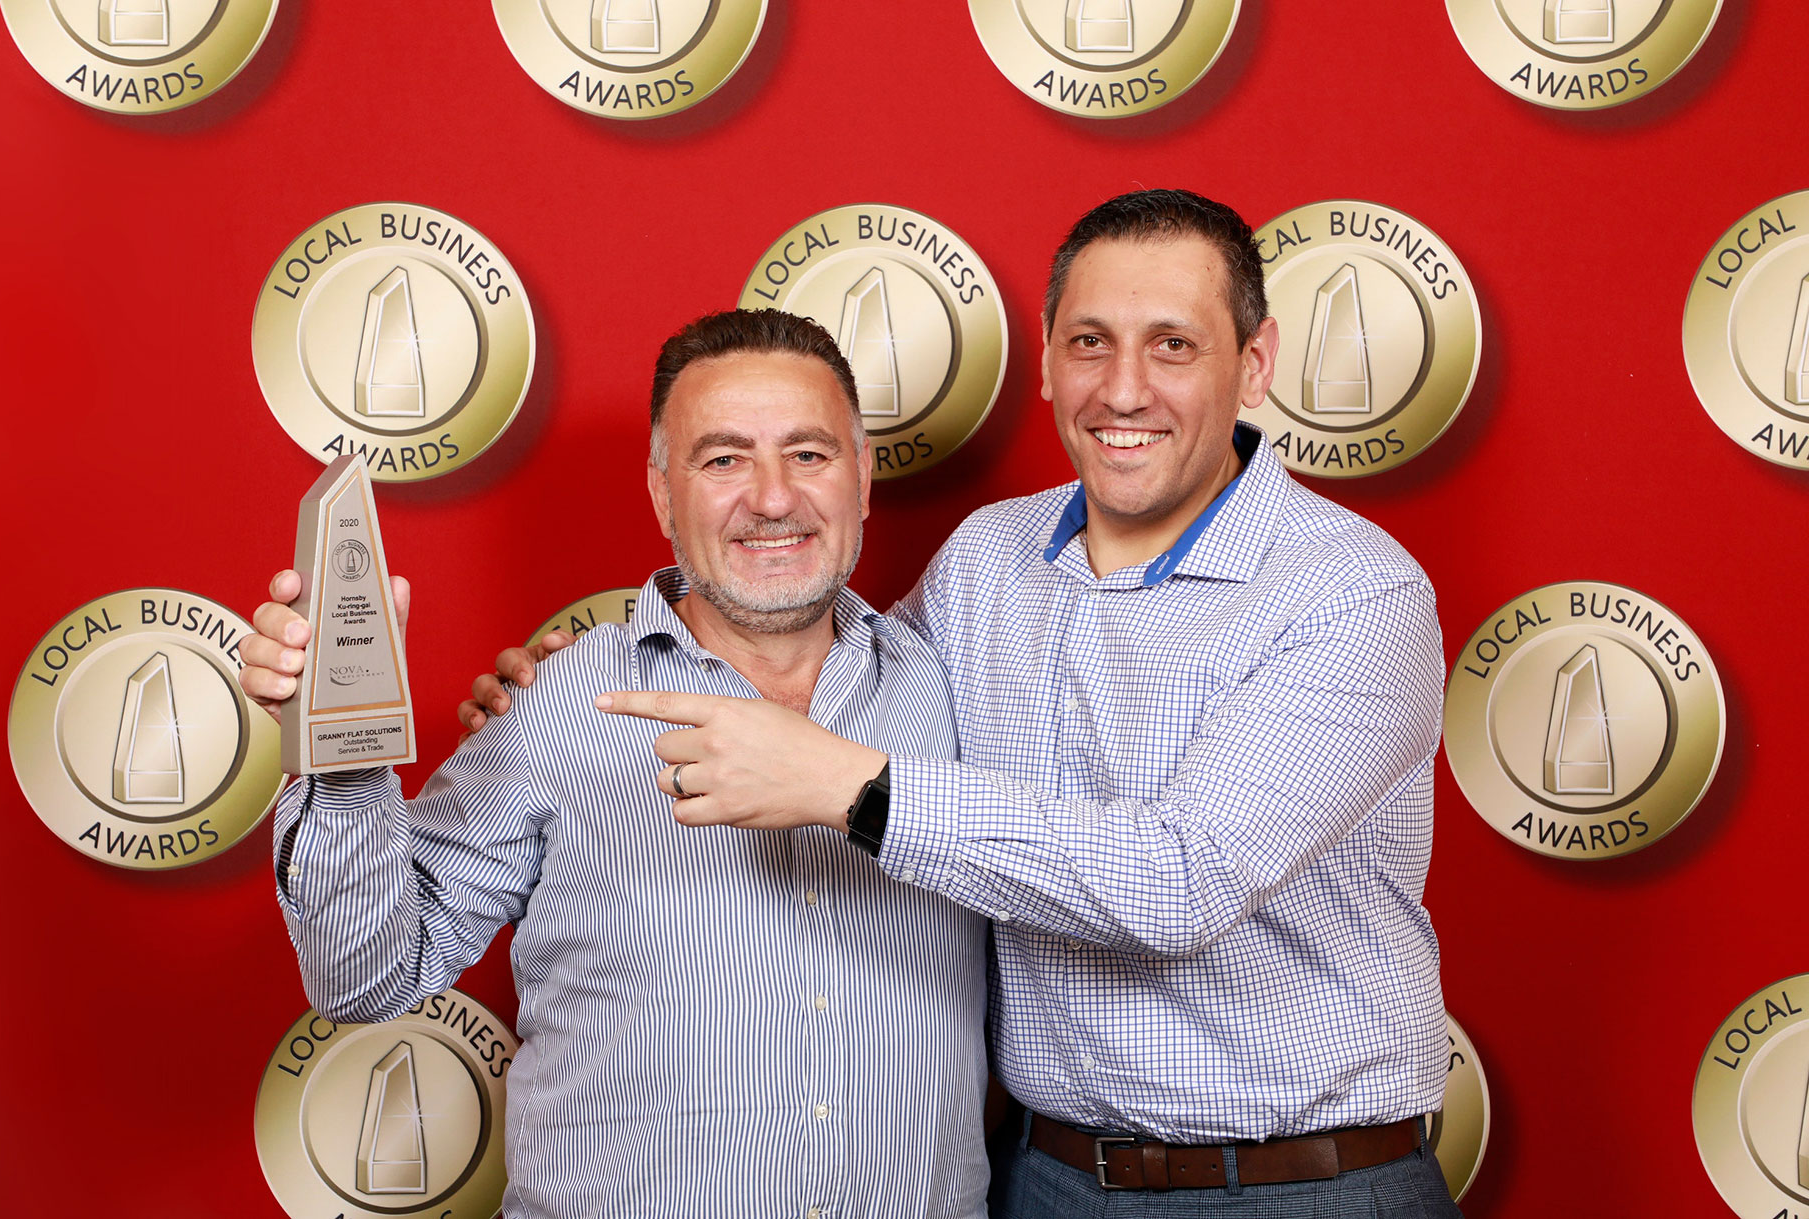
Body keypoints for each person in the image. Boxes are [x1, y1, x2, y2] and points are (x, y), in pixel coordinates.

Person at [469, 190, 1460, 1216]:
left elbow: (1180, 883)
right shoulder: (985, 561)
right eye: (1089, 342)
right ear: (1042, 359)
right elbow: (828, 671)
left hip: (1299, 1183)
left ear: (1252, 364)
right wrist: (574, 676)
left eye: (1172, 345)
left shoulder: (1350, 590)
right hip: (1048, 1178)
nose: (1123, 388)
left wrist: (847, 786)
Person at [240, 310, 993, 1219]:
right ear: (662, 493)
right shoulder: (554, 708)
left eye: (808, 454)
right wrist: (340, 743)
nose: (771, 497)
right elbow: (367, 979)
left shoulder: (961, 692)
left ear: (864, 477)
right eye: (722, 459)